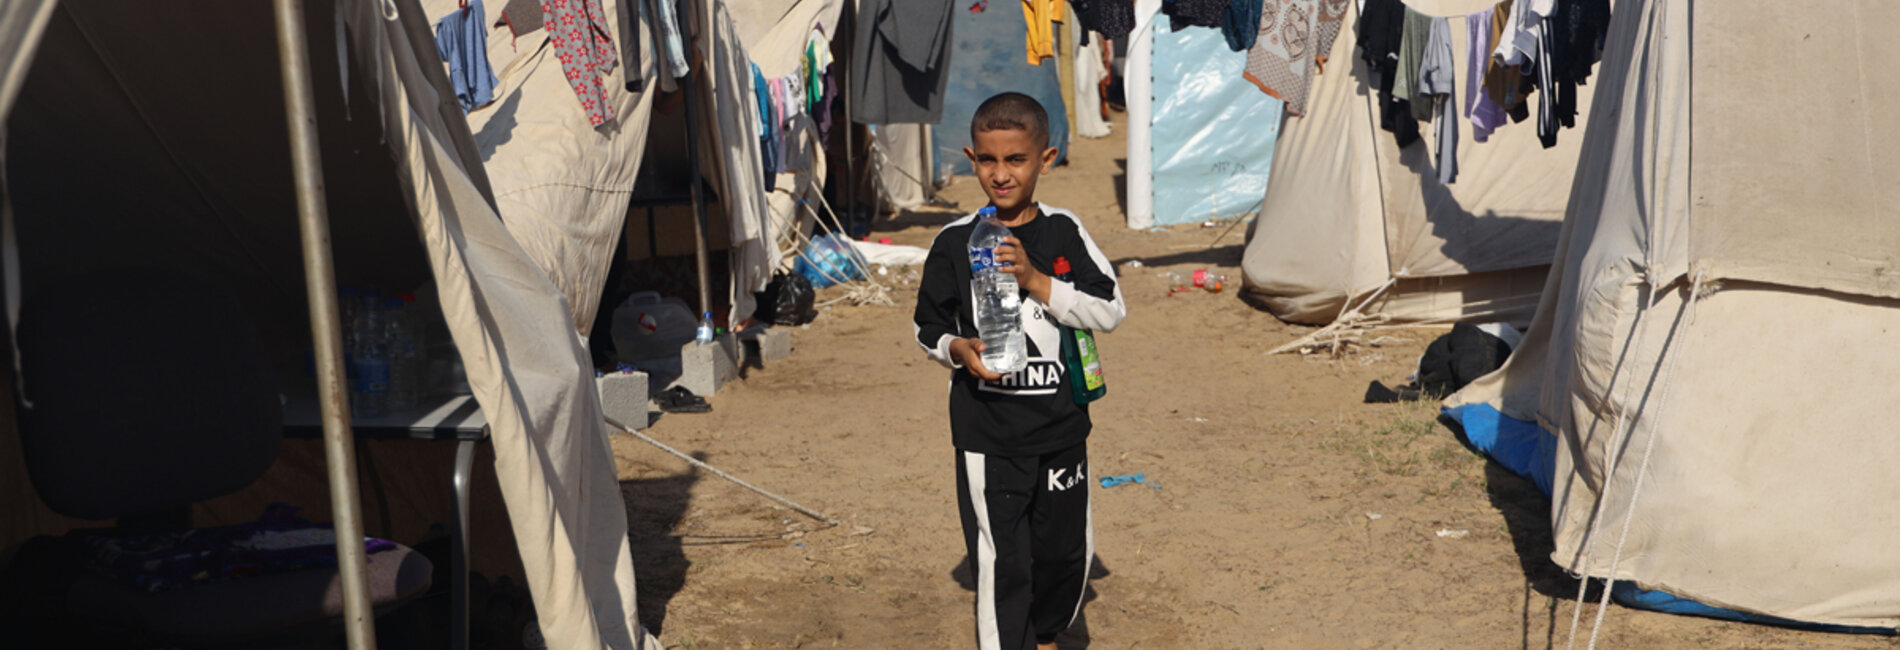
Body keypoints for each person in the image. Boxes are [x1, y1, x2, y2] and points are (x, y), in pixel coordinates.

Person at [912, 93, 1126, 650]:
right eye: (988, 160)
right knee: (1005, 561)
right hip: (990, 435)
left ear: (1045, 159)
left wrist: (1036, 280)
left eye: (1016, 160)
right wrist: (957, 348)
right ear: (971, 157)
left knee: (1060, 553)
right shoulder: (955, 241)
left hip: (1060, 427)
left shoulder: (1064, 233)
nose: (1000, 174)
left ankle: (1049, 633)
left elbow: (1109, 309)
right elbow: (926, 325)